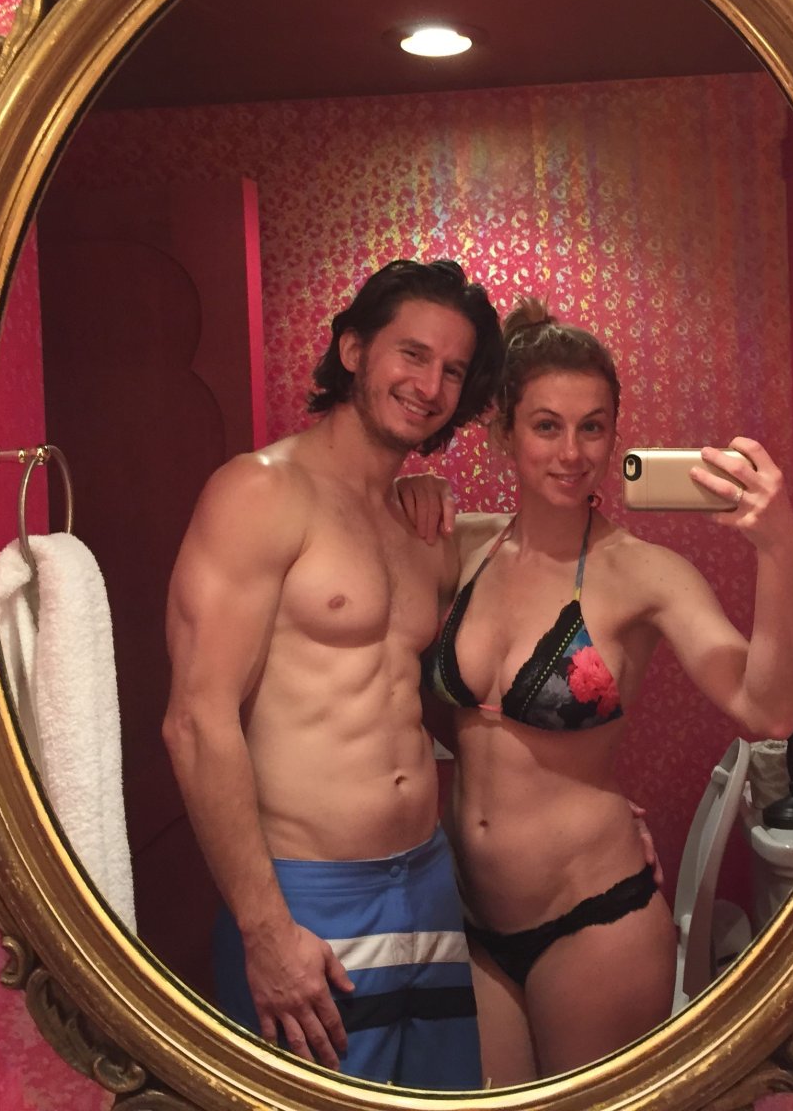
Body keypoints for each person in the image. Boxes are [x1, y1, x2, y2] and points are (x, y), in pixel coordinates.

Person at [400, 298, 793, 1082]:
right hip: (472, 921)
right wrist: (410, 491)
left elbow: (768, 708)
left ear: (615, 434)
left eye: (592, 427)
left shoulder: (645, 574)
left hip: (593, 924)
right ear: (503, 434)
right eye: (546, 426)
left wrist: (777, 547)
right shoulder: (461, 549)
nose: (571, 452)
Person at [162, 259, 503, 1089]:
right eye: (411, 354)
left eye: (452, 370)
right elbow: (197, 722)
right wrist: (264, 929)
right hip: (307, 898)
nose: (429, 386)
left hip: (426, 879)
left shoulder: (417, 525)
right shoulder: (259, 493)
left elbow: (535, 571)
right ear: (353, 350)